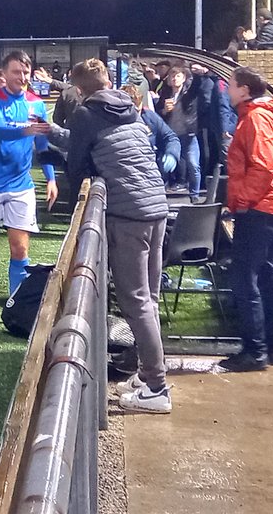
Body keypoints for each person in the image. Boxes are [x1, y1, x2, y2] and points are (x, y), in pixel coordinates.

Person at [49, 58, 171, 413]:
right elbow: (100, 142)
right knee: (149, 298)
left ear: (80, 89)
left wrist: (76, 207)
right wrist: (51, 132)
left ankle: (158, 387)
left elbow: (78, 158)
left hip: (128, 212)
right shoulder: (126, 106)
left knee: (137, 301)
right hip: (156, 206)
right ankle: (149, 374)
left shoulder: (85, 113)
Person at [0, 51, 58, 317]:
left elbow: (42, 147)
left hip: (21, 187)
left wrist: (51, 179)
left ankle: (15, 306)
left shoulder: (36, 104)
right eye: (16, 72)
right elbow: (0, 129)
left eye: (26, 72)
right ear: (4, 74)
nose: (22, 77)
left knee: (19, 247)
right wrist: (26, 130)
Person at [220, 66, 273, 372]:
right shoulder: (261, 116)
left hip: (260, 209)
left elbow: (262, 167)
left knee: (245, 279)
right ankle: (272, 348)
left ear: (245, 90)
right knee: (267, 276)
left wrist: (242, 202)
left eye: (231, 85)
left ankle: (255, 351)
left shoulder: (255, 117)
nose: (227, 89)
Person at [158, 66, 202, 203]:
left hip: (188, 135)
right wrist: (164, 111)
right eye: (172, 76)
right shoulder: (165, 95)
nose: (174, 78)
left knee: (193, 165)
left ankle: (194, 195)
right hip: (172, 137)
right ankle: (160, 193)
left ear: (183, 78)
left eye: (177, 76)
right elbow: (158, 114)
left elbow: (197, 85)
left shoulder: (189, 94)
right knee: (165, 165)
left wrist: (198, 73)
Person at [120, 84, 179, 181]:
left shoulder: (149, 116)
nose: (137, 113)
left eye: (139, 108)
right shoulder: (114, 121)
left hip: (151, 172)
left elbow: (170, 137)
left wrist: (172, 153)